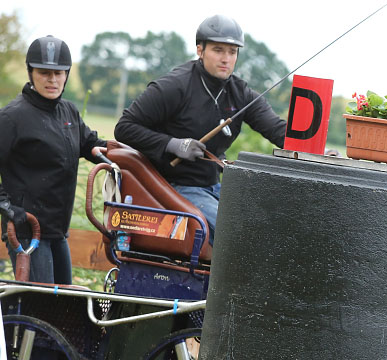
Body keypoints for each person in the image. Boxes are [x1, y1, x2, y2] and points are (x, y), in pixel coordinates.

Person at [115, 15, 286, 243]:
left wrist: (317, 152)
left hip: (213, 186)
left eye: (232, 52)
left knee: (265, 227)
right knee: (235, 238)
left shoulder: (240, 92)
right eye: (218, 50)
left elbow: (277, 129)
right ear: (200, 50)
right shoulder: (174, 86)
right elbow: (124, 127)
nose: (226, 59)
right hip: (172, 186)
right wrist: (173, 144)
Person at [0, 36, 107, 284]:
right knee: (41, 309)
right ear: (30, 72)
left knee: (63, 307)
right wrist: (7, 207)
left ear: (67, 75)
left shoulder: (68, 111)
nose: (53, 80)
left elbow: (91, 144)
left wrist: (131, 152)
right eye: (44, 73)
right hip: (28, 231)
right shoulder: (11, 118)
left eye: (59, 73)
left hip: (58, 232)